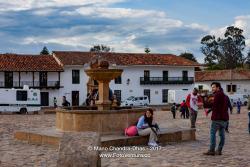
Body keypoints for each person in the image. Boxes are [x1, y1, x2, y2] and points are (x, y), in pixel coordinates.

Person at [203, 82, 229, 156]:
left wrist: (205, 100)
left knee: (212, 134)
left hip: (217, 118)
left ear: (218, 87)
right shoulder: (225, 95)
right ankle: (219, 150)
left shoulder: (217, 95)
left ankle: (212, 150)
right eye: (212, 87)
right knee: (222, 135)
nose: (212, 89)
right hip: (224, 118)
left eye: (213, 87)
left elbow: (214, 105)